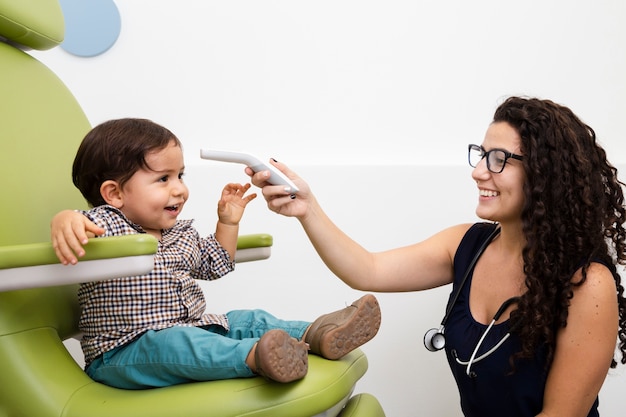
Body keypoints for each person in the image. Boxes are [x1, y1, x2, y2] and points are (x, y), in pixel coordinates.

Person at [248, 96, 626, 417]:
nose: (479, 172)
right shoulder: (467, 244)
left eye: (498, 159)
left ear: (545, 173)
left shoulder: (588, 285)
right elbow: (368, 269)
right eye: (480, 155)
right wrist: (307, 208)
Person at [50, 118, 381, 389]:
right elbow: (79, 224)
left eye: (180, 175)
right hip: (124, 353)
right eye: (163, 179)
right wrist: (66, 220)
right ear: (115, 193)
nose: (179, 188)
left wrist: (228, 222)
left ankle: (319, 335)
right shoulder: (106, 225)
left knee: (247, 319)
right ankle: (257, 357)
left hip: (189, 326)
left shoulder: (179, 233)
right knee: (180, 344)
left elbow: (214, 263)